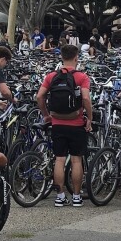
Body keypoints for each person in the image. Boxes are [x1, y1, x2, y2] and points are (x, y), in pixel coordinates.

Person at [38, 43, 93, 207]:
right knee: (77, 160)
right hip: (76, 123)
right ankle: (76, 196)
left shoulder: (51, 76)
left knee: (59, 159)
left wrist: (46, 115)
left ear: (61, 57)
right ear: (76, 57)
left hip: (57, 122)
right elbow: (86, 99)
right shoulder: (82, 77)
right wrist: (89, 117)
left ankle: (60, 196)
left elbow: (39, 96)